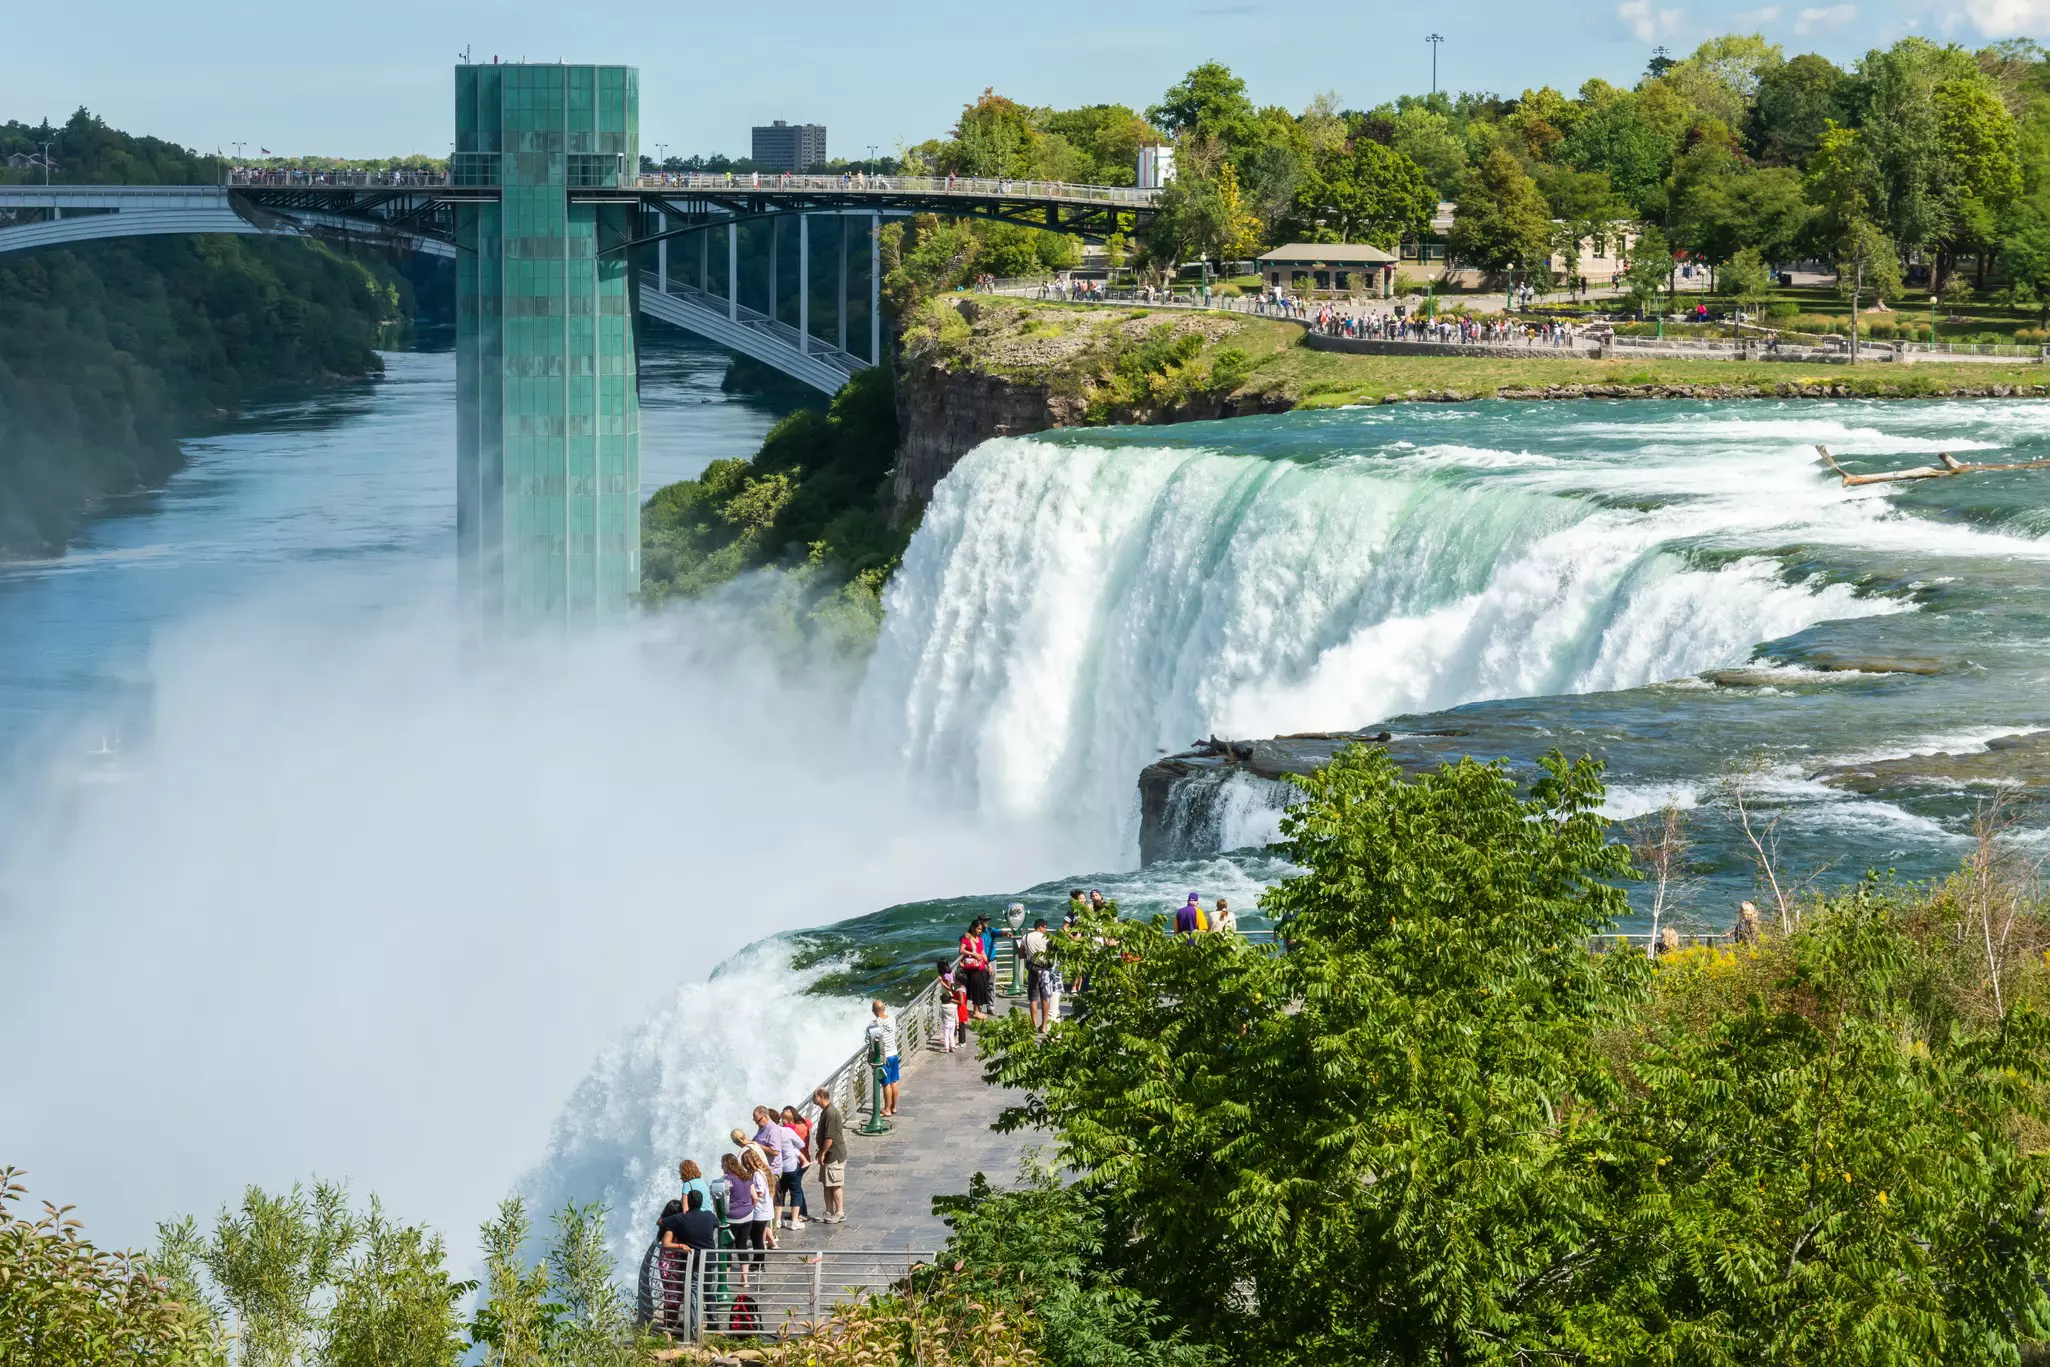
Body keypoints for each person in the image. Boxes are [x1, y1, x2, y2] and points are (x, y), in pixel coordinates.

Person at [754, 1105, 806, 1229]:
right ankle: (794, 1221)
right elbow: (802, 1144)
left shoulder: (766, 1133)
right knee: (796, 1192)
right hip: (791, 1167)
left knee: (780, 1194)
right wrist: (793, 1150)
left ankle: (777, 1220)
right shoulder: (787, 1131)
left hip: (778, 1169)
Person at [720, 1153, 763, 1279]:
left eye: (722, 1165)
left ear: (727, 1165)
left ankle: (725, 1280)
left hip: (731, 1218)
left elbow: (724, 1202)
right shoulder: (746, 1177)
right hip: (747, 1217)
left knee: (728, 1248)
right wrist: (750, 1209)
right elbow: (755, 1197)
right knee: (742, 1246)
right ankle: (744, 1280)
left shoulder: (727, 1180)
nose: (721, 1168)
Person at [812, 1086, 846, 1222]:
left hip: (834, 1155)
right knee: (827, 1183)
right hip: (827, 1155)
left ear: (821, 1096)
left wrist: (822, 1153)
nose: (813, 1099)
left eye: (814, 1096)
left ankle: (839, 1212)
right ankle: (829, 1211)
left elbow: (829, 1138)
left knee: (835, 1183)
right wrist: (821, 1152)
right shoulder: (825, 1111)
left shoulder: (831, 1113)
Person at [866, 999, 901, 1117]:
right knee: (893, 1082)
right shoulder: (892, 1019)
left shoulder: (873, 1025)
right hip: (894, 1054)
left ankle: (887, 1109)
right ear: (884, 1009)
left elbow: (869, 1042)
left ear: (874, 1011)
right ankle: (894, 1107)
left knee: (886, 1084)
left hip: (884, 1057)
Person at [779, 1104, 813, 1223]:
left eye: (783, 1118)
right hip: (798, 1159)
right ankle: (799, 1212)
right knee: (796, 1187)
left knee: (796, 1188)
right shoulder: (799, 1126)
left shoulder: (797, 1129)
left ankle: (802, 1213)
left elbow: (798, 1144)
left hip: (798, 1161)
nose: (781, 1121)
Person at [741, 1146, 776, 1249]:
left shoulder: (757, 1174)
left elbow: (759, 1192)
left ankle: (758, 1263)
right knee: (758, 1237)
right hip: (767, 1209)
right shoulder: (765, 1171)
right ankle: (759, 1262)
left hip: (760, 1211)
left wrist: (747, 1191)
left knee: (757, 1239)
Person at [1022, 917, 1052, 1032]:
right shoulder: (1046, 938)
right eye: (1045, 927)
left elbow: (1021, 953)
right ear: (1040, 927)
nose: (1046, 930)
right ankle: (1044, 1026)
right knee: (1045, 998)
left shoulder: (1026, 937)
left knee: (1033, 999)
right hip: (1045, 970)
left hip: (1033, 970)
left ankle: (1033, 1025)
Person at [936, 958, 963, 1052]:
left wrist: (941, 982)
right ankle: (953, 1040)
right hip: (949, 996)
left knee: (948, 1018)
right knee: (952, 1019)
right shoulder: (950, 973)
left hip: (948, 996)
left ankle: (950, 1043)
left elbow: (949, 988)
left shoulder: (946, 976)